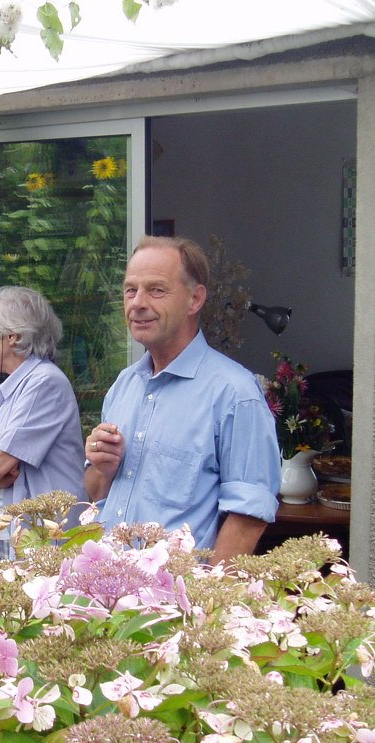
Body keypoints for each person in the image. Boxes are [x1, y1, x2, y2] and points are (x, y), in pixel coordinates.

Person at [84, 235, 280, 562]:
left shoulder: (235, 394)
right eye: (130, 290)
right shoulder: (124, 386)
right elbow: (95, 493)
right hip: (107, 585)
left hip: (179, 592)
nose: (137, 303)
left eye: (156, 290)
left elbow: (248, 519)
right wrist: (102, 468)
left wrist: (211, 593)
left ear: (195, 299)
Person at [0, 286, 86, 570]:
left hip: (41, 539)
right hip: (9, 532)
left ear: (13, 335)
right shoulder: (12, 389)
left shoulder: (44, 382)